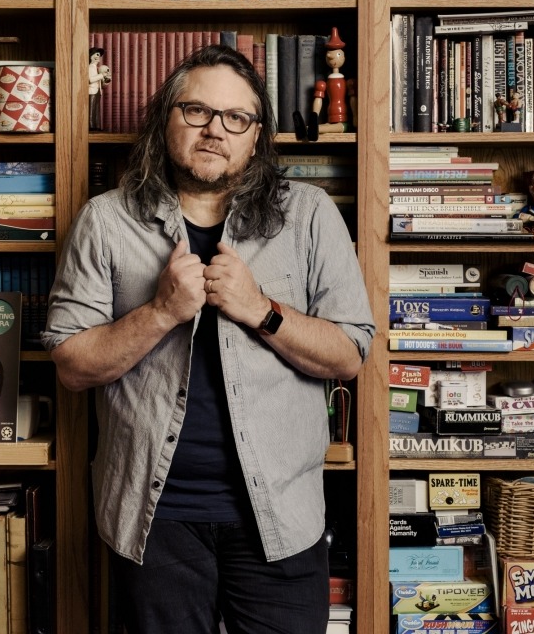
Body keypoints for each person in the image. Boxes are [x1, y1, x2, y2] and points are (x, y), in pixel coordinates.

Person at [41, 45, 374, 634]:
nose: (215, 130)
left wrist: (260, 310)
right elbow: (71, 364)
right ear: (165, 119)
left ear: (256, 136)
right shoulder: (105, 221)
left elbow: (348, 354)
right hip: (152, 520)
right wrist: (162, 311)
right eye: (196, 112)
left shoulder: (310, 215)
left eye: (236, 118)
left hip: (282, 517)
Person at [88, 47, 111, 130]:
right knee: (91, 109)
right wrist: (102, 75)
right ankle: (91, 125)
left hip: (97, 91)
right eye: (97, 54)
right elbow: (90, 79)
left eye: (99, 55)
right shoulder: (90, 67)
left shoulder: (97, 68)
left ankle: (97, 126)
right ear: (91, 56)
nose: (99, 57)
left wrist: (105, 81)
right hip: (91, 91)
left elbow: (99, 81)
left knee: (97, 110)